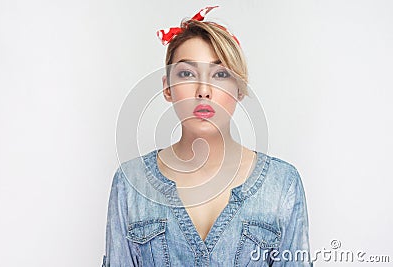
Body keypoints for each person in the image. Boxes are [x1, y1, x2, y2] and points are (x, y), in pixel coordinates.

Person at [102, 6, 312, 267]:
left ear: (239, 89)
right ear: (167, 88)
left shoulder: (282, 184)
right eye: (187, 73)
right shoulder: (130, 183)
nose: (204, 90)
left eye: (220, 74)